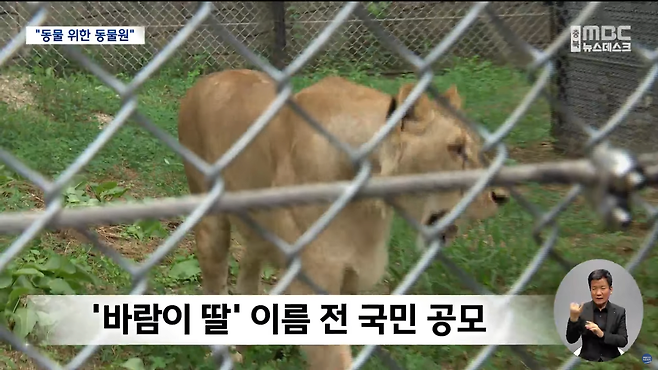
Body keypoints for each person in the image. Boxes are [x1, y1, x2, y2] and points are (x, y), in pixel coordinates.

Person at [566, 269, 629, 362]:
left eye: (603, 288)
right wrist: (573, 319)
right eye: (594, 289)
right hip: (587, 360)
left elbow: (623, 340)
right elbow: (571, 339)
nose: (598, 293)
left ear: (610, 290)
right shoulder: (582, 310)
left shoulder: (619, 311)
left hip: (612, 359)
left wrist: (601, 334)